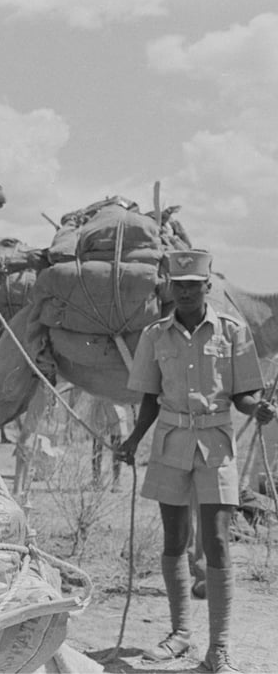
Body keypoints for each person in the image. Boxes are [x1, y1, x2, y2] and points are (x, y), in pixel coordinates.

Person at [118, 249, 275, 673]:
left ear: (208, 287)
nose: (185, 292)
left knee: (218, 541)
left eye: (194, 285)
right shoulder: (154, 335)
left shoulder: (233, 331)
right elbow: (150, 397)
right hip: (170, 443)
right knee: (175, 541)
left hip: (217, 443)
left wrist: (257, 407)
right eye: (178, 285)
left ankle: (218, 649)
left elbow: (243, 394)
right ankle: (180, 635)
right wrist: (133, 439)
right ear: (169, 286)